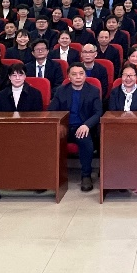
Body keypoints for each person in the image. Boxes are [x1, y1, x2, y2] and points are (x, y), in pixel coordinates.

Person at [48, 63, 103, 191]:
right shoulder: (61, 90)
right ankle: (49, 176)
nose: (78, 77)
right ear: (69, 77)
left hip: (83, 127)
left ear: (85, 75)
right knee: (47, 138)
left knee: (86, 141)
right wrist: (60, 124)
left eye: (81, 74)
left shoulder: (93, 90)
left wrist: (86, 125)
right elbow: (51, 111)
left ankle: (86, 175)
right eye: (74, 74)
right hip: (65, 127)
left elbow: (98, 112)